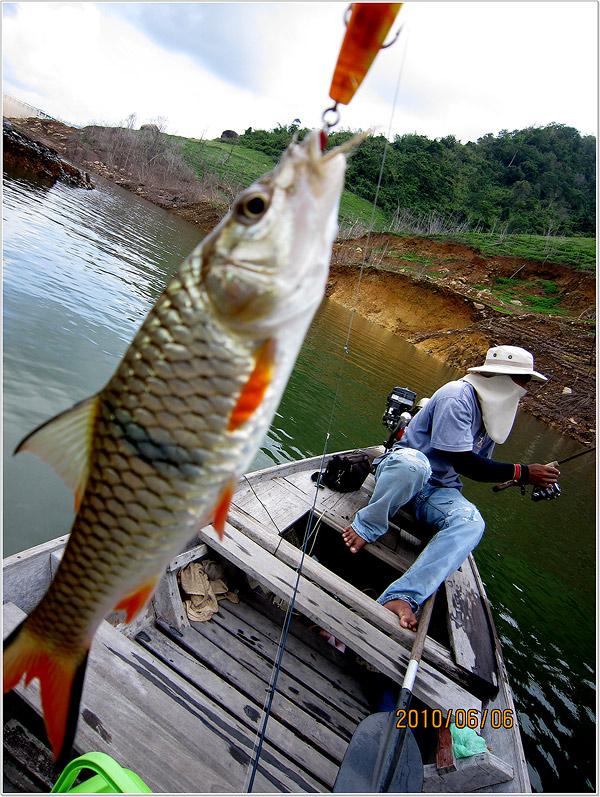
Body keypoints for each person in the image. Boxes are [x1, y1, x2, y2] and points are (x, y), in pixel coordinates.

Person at [342, 345, 560, 631]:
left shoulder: (491, 412)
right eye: (523, 381)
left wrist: (517, 475)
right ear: (502, 377)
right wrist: (522, 471)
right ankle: (367, 526)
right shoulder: (457, 396)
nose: (525, 389)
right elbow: (464, 462)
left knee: (471, 523)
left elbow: (479, 464)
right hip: (403, 471)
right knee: (415, 465)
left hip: (437, 490)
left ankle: (401, 595)